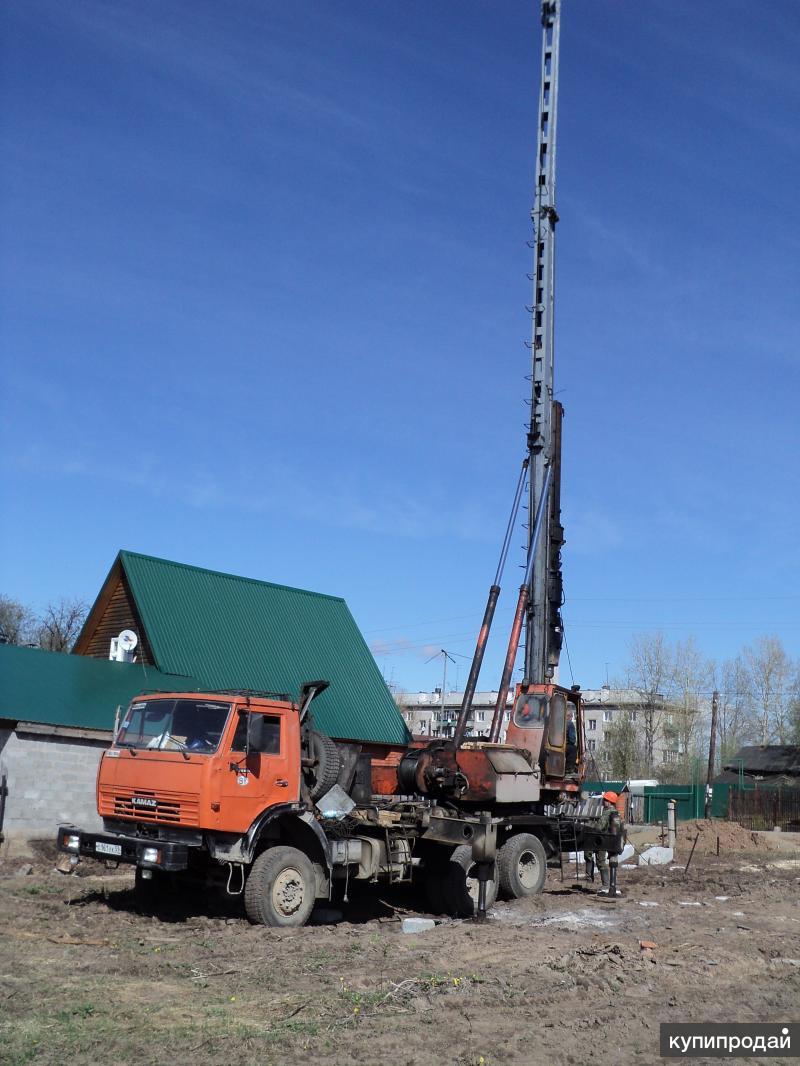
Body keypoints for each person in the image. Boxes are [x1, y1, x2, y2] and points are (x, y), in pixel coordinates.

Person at [584, 791, 624, 894]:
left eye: (605, 800)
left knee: (600, 861)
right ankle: (600, 882)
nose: (603, 802)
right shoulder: (616, 813)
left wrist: (590, 825)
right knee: (598, 859)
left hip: (603, 839)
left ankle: (604, 884)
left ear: (609, 802)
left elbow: (599, 827)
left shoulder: (607, 813)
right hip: (612, 840)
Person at [565, 707, 578, 774]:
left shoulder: (557, 721)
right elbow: (572, 740)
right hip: (564, 746)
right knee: (573, 749)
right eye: (571, 716)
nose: (571, 718)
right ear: (568, 716)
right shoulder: (570, 724)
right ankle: (569, 768)